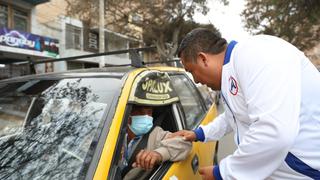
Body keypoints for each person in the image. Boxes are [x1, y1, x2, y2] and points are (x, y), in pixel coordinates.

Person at [171, 28, 320, 180]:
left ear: (203, 59)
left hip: (309, 172)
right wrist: (198, 134)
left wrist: (223, 173)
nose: (195, 80)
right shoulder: (231, 72)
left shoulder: (256, 54)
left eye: (191, 71)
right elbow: (233, 116)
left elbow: (274, 131)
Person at [121, 105, 192, 180]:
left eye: (149, 112)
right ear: (128, 117)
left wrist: (158, 154)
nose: (146, 117)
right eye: (140, 113)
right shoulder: (116, 133)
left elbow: (185, 143)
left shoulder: (156, 133)